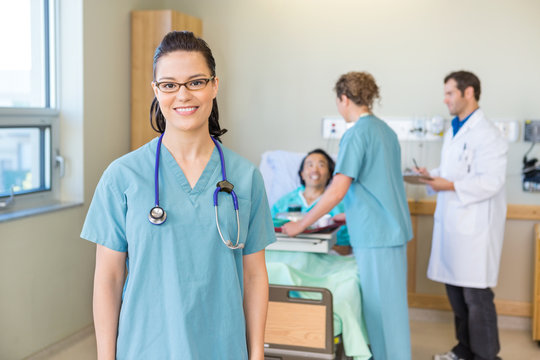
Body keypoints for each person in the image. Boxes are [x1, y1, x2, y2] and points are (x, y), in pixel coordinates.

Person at [81, 31, 275, 360]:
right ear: (156, 91)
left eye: (195, 82)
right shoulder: (123, 176)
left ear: (215, 85)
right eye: (169, 85)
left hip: (223, 347)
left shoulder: (245, 177)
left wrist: (256, 354)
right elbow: (109, 277)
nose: (182, 95)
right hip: (146, 346)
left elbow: (254, 275)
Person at [282, 71, 413, 360]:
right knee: (393, 311)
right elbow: (377, 185)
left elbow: (337, 190)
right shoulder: (385, 131)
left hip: (376, 235)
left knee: (381, 313)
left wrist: (300, 224)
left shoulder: (355, 134)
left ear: (343, 98)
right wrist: (348, 216)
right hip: (391, 230)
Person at [416, 71, 507, 360]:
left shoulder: (488, 134)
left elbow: (491, 182)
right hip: (454, 226)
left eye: (450, 93)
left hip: (476, 229)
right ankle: (465, 349)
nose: (445, 100)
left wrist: (450, 185)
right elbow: (457, 170)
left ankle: (486, 356)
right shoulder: (455, 129)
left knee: (476, 298)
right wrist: (432, 176)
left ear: (469, 93)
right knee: (456, 295)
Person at [271, 148, 351, 255]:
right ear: (302, 174)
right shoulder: (283, 203)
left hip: (322, 259)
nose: (315, 170)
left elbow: (345, 249)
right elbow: (266, 235)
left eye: (321, 165)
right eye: (310, 165)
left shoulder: (338, 206)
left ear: (329, 174)